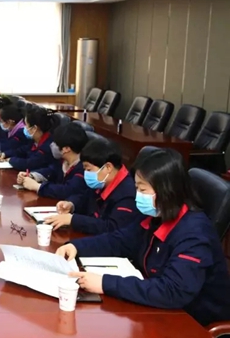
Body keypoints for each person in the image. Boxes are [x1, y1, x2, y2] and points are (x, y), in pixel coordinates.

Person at [57, 149, 230, 327]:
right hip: (158, 309)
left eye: (142, 189)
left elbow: (172, 291)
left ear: (165, 191)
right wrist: (76, 247)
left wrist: (104, 283)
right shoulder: (158, 214)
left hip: (194, 322)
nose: (138, 195)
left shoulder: (195, 233)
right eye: (137, 188)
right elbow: (120, 241)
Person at [44, 138, 142, 234]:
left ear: (108, 167)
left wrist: (73, 220)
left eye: (89, 169)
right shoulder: (103, 181)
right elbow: (85, 198)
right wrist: (71, 205)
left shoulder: (128, 194)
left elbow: (111, 227)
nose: (86, 174)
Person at [18, 123, 88, 201]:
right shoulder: (62, 161)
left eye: (56, 143)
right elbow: (50, 171)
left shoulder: (84, 168)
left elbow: (67, 190)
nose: (52, 145)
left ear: (66, 149)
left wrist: (37, 187)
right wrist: (32, 176)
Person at [0, 105, 60, 171]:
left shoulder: (48, 145)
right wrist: (5, 154)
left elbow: (29, 164)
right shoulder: (34, 141)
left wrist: (11, 160)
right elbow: (21, 151)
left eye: (26, 125)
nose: (24, 128)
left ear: (34, 128)